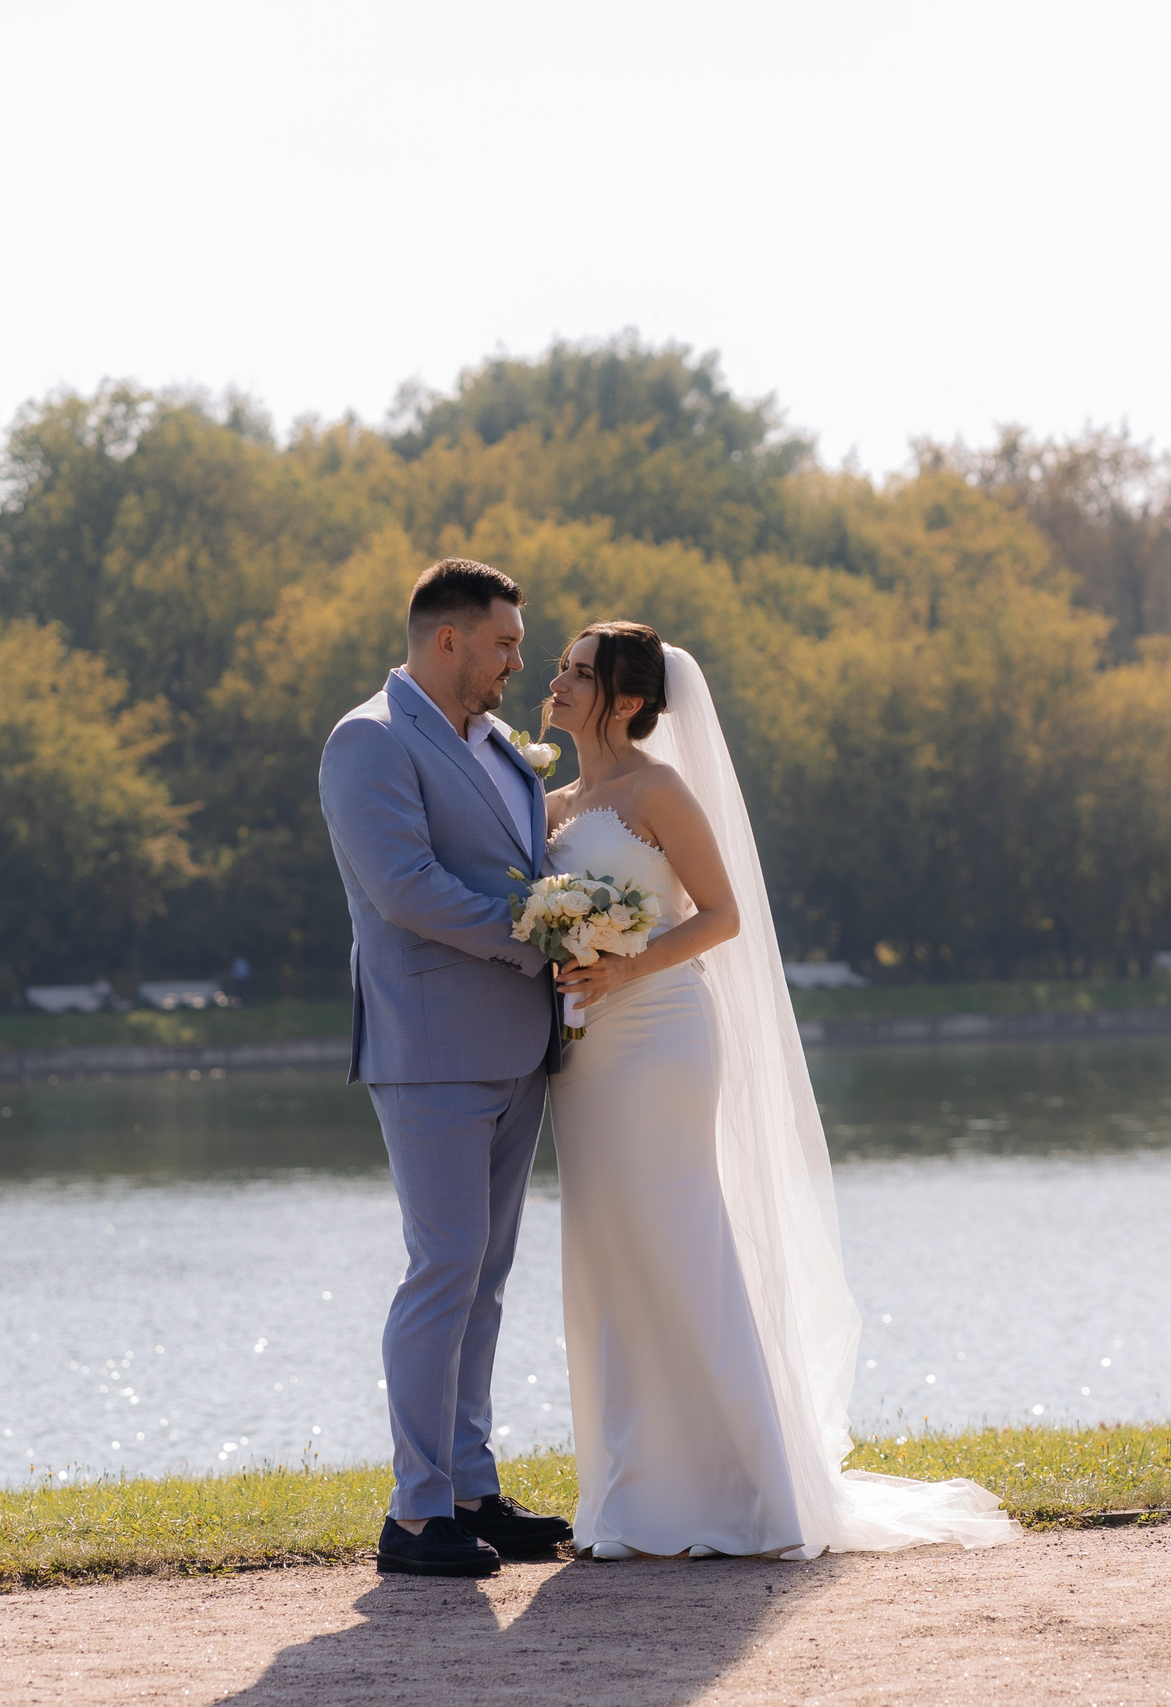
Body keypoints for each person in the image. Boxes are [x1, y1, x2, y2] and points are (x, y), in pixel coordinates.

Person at [542, 622, 1019, 1559]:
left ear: (629, 700)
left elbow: (722, 915)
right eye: (559, 664)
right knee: (607, 1255)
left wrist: (624, 966)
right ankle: (639, 1494)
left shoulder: (657, 791)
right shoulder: (550, 802)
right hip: (587, 1056)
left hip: (662, 1035)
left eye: (579, 671)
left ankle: (754, 1489)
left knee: (684, 1242)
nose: (555, 681)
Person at [318, 558, 574, 1579]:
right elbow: (406, 890)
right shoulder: (367, 742)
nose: (520, 660)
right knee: (442, 1270)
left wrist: (577, 913)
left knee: (485, 1277)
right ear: (448, 638)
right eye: (506, 642)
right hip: (428, 1048)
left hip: (518, 1045)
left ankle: (470, 1488)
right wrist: (540, 939)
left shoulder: (502, 747)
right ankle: (416, 1514)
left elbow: (525, 861)